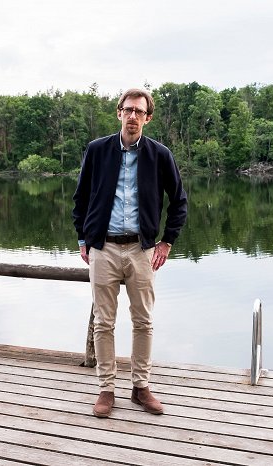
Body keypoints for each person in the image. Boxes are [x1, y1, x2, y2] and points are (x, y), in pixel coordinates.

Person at [72, 88, 187, 418]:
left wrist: (166, 242)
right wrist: (83, 238)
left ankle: (141, 386)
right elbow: (80, 199)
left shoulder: (159, 155)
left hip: (142, 249)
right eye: (128, 110)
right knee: (103, 322)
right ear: (119, 113)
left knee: (143, 321)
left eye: (140, 111)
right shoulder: (97, 151)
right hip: (103, 247)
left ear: (148, 117)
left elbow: (179, 202)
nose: (133, 116)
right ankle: (106, 389)